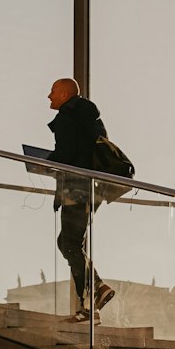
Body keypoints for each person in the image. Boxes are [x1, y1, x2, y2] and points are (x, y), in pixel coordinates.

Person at [47, 78, 115, 321]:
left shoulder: (68, 117)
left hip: (75, 189)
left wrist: (46, 163)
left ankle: (94, 295)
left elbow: (66, 155)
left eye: (53, 91)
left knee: (69, 244)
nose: (49, 96)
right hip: (92, 189)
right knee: (70, 243)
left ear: (65, 94)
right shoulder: (90, 119)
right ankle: (92, 302)